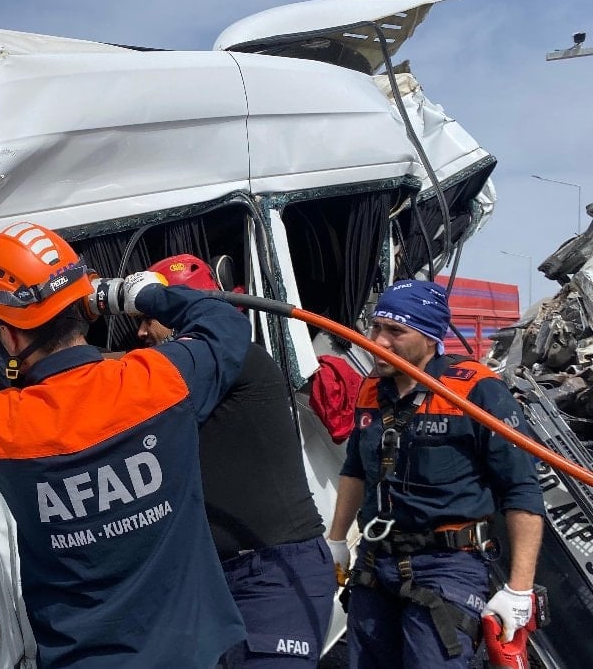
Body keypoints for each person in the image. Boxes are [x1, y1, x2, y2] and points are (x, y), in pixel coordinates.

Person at [0, 222, 250, 668]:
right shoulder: (158, 381)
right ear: (84, 306)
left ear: (12, 336)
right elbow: (224, 323)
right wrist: (141, 296)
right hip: (193, 652)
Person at [326, 279, 545, 668]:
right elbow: (355, 469)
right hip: (376, 565)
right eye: (376, 327)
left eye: (396, 331)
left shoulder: (477, 390)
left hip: (448, 566)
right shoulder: (371, 389)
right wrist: (337, 539)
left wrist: (519, 589)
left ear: (430, 338)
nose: (380, 340)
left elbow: (522, 489)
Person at [138, 254, 336, 667]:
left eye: (151, 315)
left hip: (274, 575)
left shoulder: (242, 362)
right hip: (214, 581)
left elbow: (117, 373)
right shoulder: (177, 380)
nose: (140, 332)